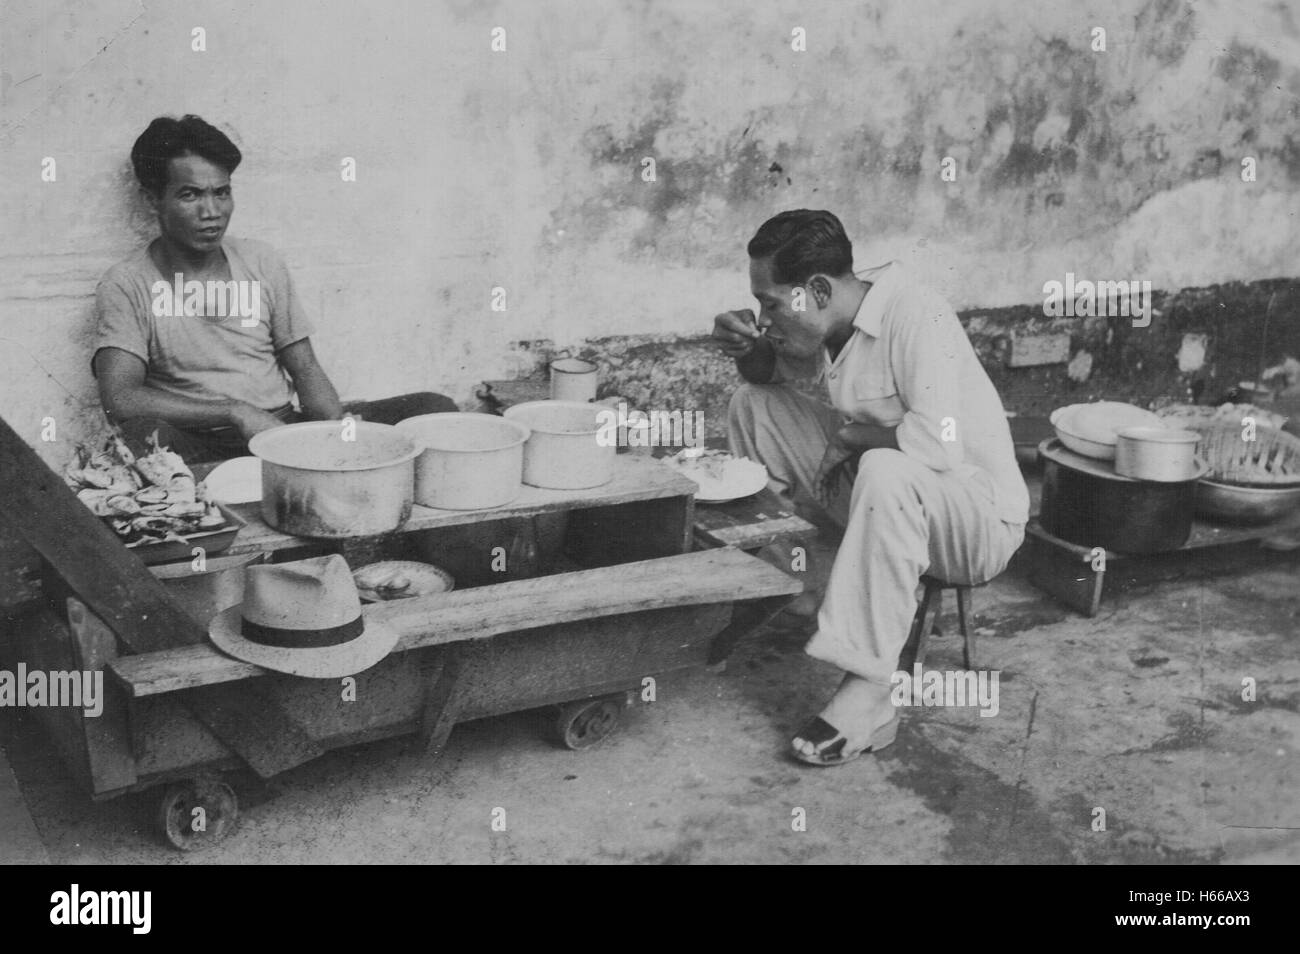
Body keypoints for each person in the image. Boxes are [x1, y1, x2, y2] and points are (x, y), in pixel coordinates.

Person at [711, 210, 1029, 766]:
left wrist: (854, 436)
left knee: (884, 465)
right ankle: (797, 584)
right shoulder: (836, 320)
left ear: (817, 289)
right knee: (753, 406)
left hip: (976, 522)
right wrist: (747, 350)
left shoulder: (915, 313)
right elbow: (770, 377)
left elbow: (937, 445)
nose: (765, 317)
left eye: (772, 304)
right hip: (889, 496)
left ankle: (870, 690)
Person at [93, 115, 455, 462]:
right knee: (141, 438)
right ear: (152, 200)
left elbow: (305, 368)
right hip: (198, 444)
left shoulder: (261, 262)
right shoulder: (128, 283)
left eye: (222, 193)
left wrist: (334, 434)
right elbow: (120, 398)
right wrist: (235, 412)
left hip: (281, 430)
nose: (212, 211)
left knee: (433, 409)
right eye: (190, 195)